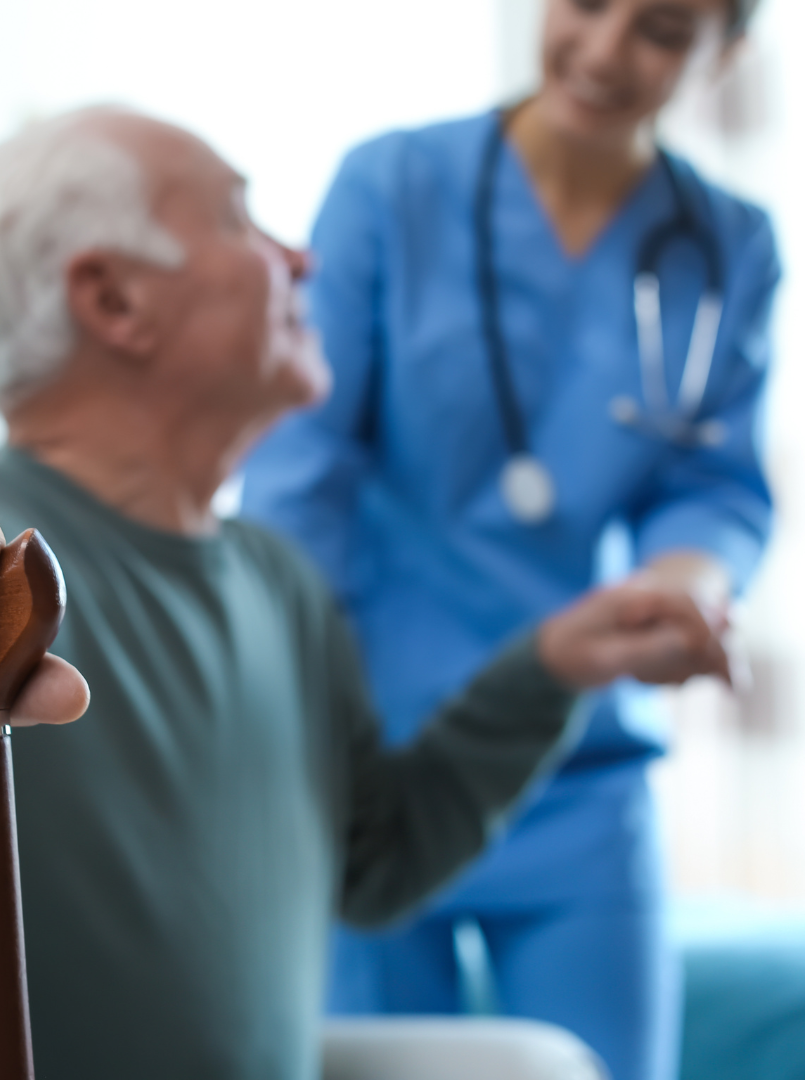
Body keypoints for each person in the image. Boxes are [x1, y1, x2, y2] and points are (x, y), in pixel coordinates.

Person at [0, 108, 728, 1080]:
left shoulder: (279, 584)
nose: (304, 260)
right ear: (114, 300)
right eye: (241, 220)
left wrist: (549, 671)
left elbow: (372, 863)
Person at [240, 2, 777, 1078]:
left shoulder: (726, 242)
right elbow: (302, 475)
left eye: (663, 31)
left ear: (726, 55)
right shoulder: (393, 188)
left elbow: (714, 480)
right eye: (585, 5)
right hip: (376, 760)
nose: (604, 51)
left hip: (578, 766)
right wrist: (293, 715)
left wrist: (685, 579)